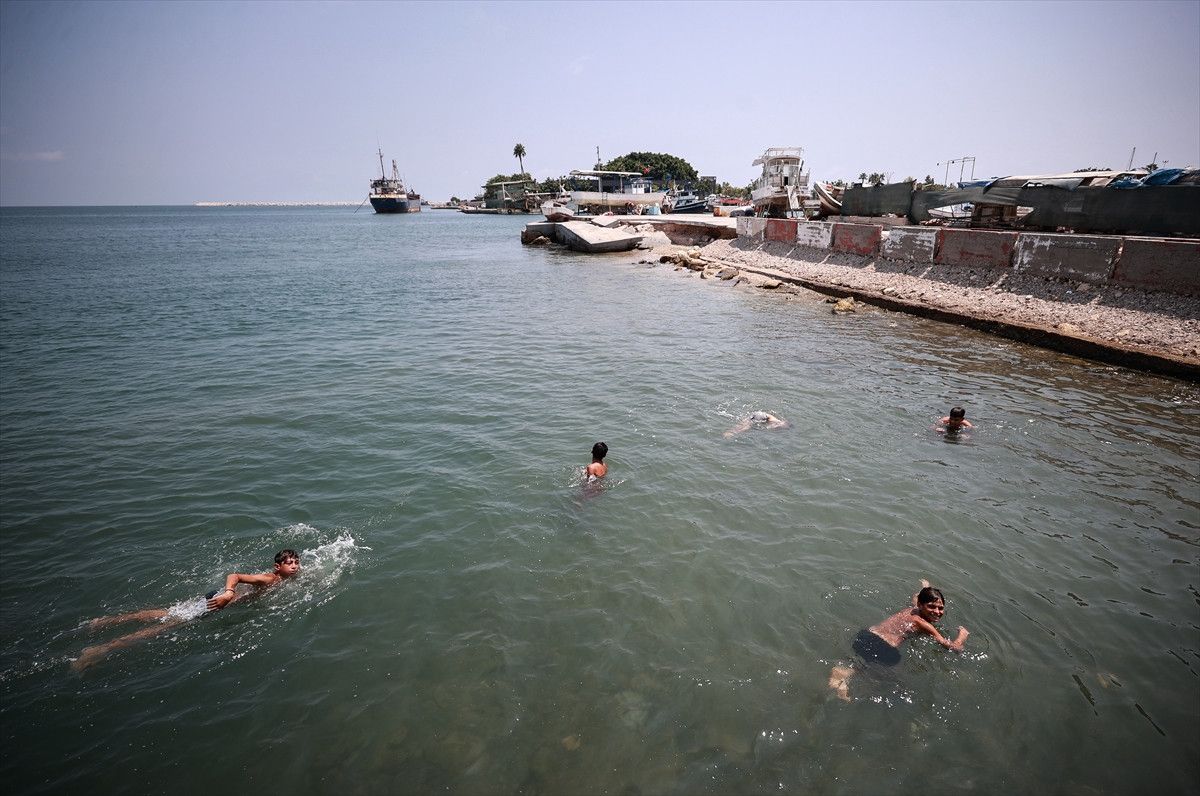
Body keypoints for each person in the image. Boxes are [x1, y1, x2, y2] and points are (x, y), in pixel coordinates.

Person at [73, 549, 301, 671]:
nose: (294, 566)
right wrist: (229, 594)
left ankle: (103, 622)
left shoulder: (284, 578)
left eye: (296, 562)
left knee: (168, 613)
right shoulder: (269, 579)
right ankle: (101, 649)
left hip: (216, 600)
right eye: (289, 563)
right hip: (218, 603)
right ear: (277, 567)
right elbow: (235, 575)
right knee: (169, 625)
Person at [828, 579, 969, 701]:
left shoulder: (912, 609)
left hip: (865, 636)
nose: (937, 612)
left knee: (869, 663)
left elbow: (916, 597)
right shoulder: (922, 623)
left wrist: (925, 587)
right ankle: (843, 672)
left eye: (940, 608)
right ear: (921, 605)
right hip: (883, 647)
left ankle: (844, 673)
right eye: (932, 607)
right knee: (897, 681)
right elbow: (951, 646)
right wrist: (962, 636)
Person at [724, 411, 790, 438]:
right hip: (762, 416)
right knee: (747, 426)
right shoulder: (778, 423)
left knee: (744, 423)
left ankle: (731, 432)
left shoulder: (779, 421)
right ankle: (730, 433)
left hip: (759, 414)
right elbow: (770, 426)